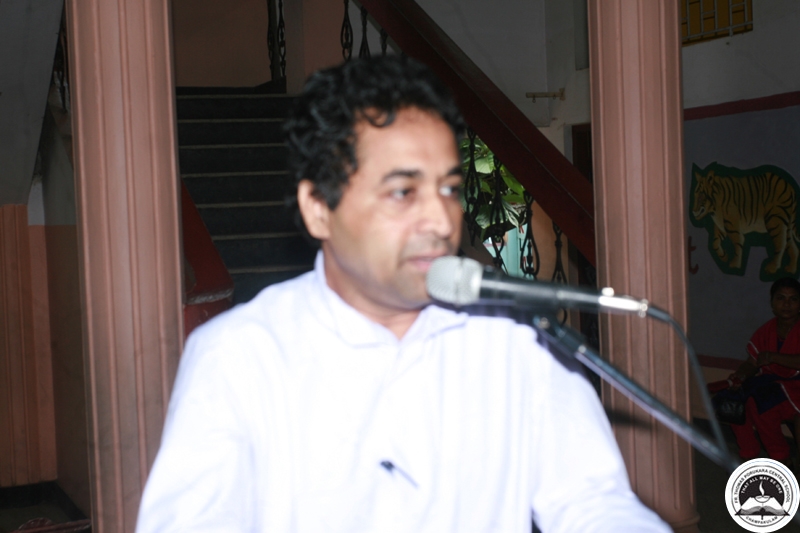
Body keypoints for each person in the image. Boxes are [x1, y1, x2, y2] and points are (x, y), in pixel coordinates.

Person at [135, 56, 668, 532]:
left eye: (449, 188)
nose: (441, 219)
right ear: (318, 208)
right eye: (402, 191)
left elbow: (590, 501)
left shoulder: (514, 337)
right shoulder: (239, 356)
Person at [728, 277, 800, 463]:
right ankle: (748, 454)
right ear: (772, 303)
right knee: (738, 400)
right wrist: (740, 375)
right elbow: (752, 363)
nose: (786, 304)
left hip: (796, 389)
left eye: (793, 299)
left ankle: (780, 457)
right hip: (774, 387)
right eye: (781, 298)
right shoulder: (766, 330)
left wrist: (773, 357)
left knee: (762, 405)